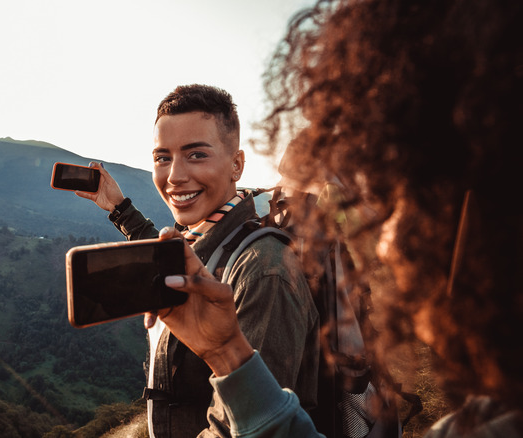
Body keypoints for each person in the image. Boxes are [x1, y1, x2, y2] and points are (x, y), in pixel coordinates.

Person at [147, 0, 523, 436]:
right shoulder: (487, 418)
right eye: (161, 157)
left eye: (409, 199)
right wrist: (229, 352)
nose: (388, 242)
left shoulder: (265, 267)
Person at [76, 84, 320, 437]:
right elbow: (185, 259)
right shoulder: (207, 237)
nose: (174, 176)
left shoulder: (264, 271)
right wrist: (120, 209)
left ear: (236, 165)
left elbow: (247, 426)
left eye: (196, 155)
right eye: (163, 158)